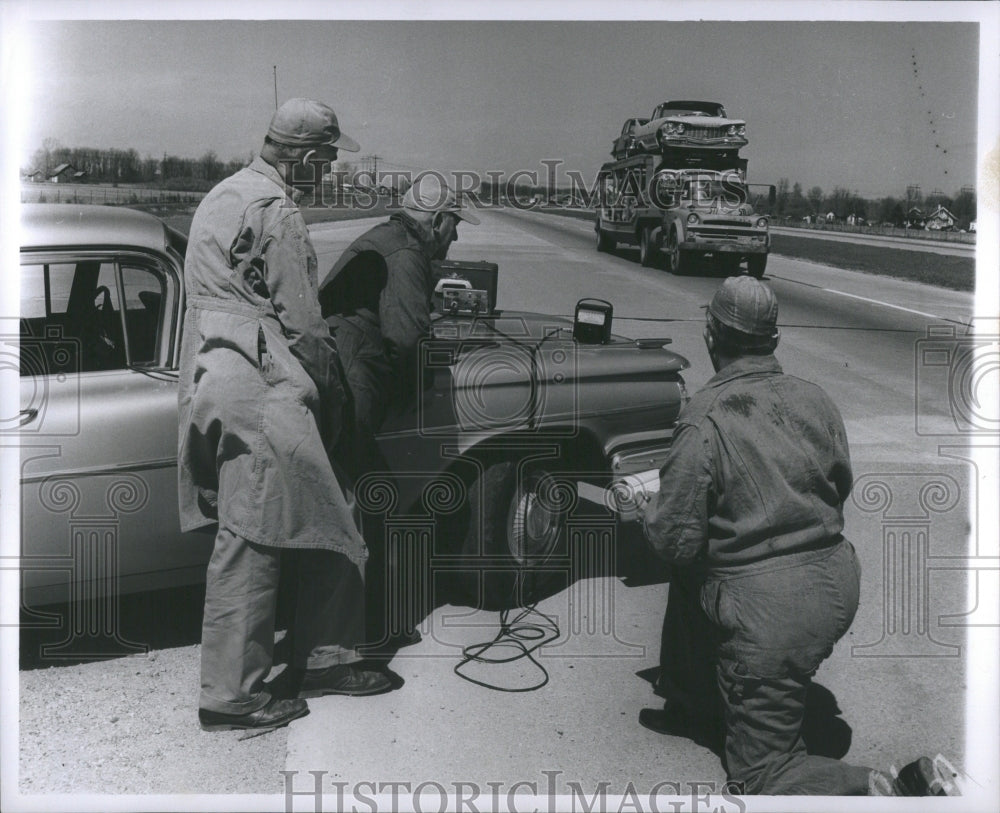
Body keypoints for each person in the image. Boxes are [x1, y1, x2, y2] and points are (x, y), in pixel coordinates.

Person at [638, 276, 941, 796]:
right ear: (773, 341)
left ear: (711, 336)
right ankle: (693, 702)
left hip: (772, 617)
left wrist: (647, 507)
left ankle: (884, 787)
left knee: (761, 773)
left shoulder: (704, 417)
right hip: (835, 586)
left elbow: (675, 541)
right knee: (694, 580)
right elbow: (835, 486)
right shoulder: (815, 399)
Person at [178, 98, 391, 733]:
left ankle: (325, 658)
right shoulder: (279, 211)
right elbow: (304, 325)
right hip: (261, 386)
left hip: (214, 378)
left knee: (324, 513)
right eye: (326, 157)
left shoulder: (222, 193)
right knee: (256, 539)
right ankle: (233, 698)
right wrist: (337, 397)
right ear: (300, 155)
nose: (330, 170)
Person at [323, 174, 479, 651]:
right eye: (455, 226)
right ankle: (367, 629)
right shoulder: (407, 254)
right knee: (369, 501)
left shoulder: (387, 238)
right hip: (356, 378)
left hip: (345, 369)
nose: (455, 238)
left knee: (361, 499)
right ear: (437, 221)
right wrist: (424, 393)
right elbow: (409, 339)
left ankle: (364, 620)